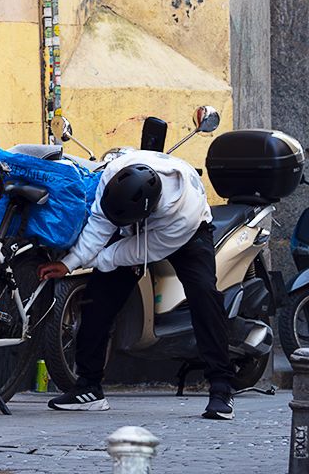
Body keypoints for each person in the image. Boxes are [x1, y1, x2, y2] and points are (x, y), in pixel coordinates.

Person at [37, 150, 236, 420]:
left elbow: (132, 253)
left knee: (204, 295)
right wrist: (71, 262)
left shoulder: (181, 215)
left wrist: (96, 259)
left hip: (188, 235)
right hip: (132, 225)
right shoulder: (114, 173)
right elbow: (99, 224)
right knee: (98, 296)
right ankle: (88, 387)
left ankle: (222, 389)